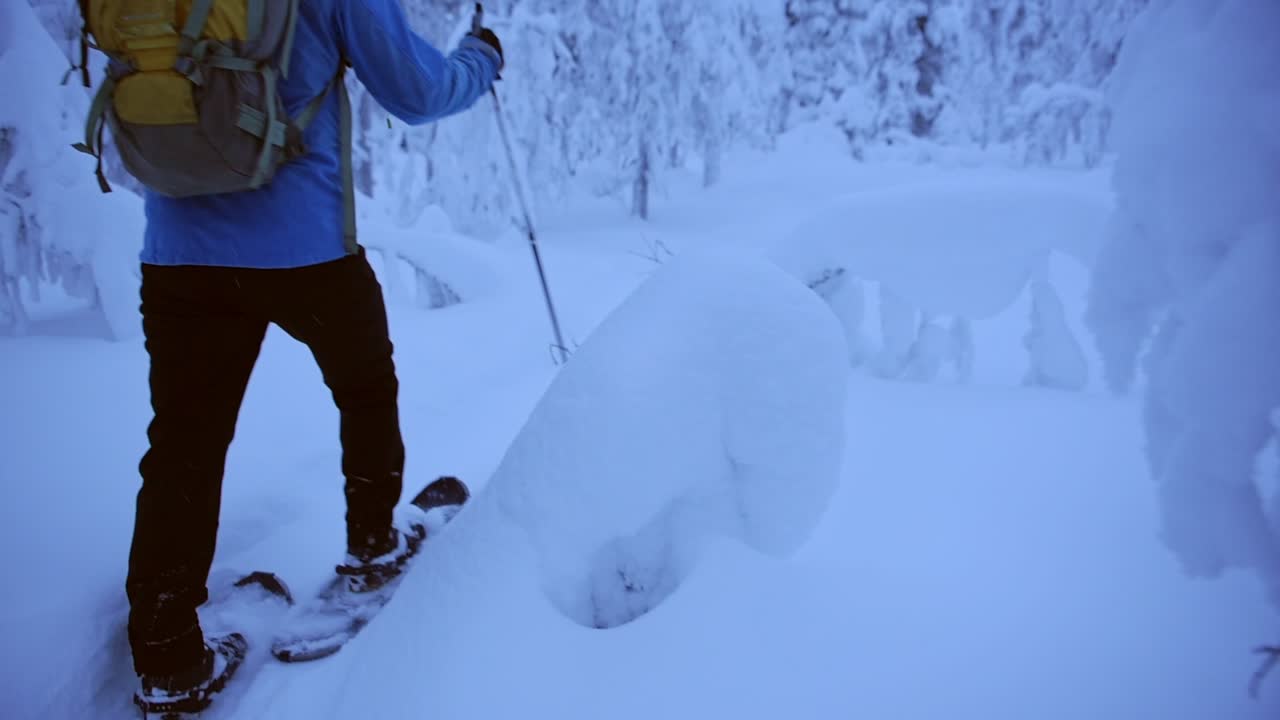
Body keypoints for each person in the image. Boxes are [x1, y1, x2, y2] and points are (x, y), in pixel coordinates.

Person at [123, 0, 503, 706]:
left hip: (179, 255)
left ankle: (167, 654)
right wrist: (483, 59)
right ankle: (372, 547)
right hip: (306, 252)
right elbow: (417, 93)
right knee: (364, 390)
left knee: (184, 441)